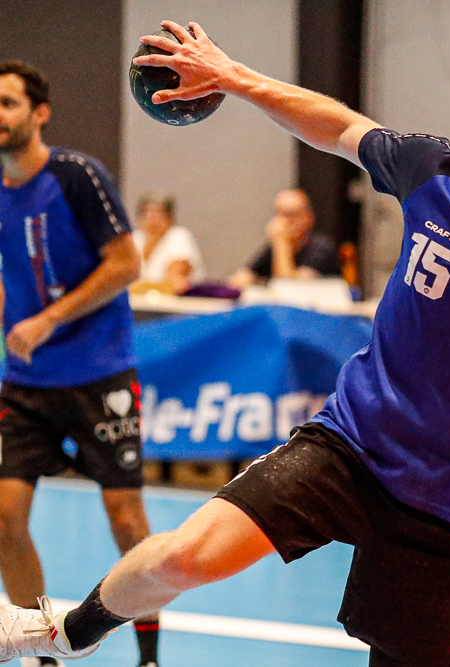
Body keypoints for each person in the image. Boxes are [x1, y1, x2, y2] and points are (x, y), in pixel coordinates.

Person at [0, 26, 450, 667]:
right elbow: (337, 126)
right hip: (350, 447)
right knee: (192, 551)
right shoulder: (436, 174)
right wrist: (234, 77)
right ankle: (69, 627)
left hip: (449, 501)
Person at [0, 60, 161, 667]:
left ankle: (149, 657)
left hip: (99, 375)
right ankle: (40, 648)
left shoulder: (76, 176)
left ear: (39, 114)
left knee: (126, 518)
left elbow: (126, 264)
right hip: (25, 384)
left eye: (10, 103)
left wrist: (46, 320)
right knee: (4, 519)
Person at [227, 188, 339, 287]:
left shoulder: (322, 248)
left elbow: (289, 285)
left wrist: (281, 241)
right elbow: (245, 275)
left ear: (308, 217)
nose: (283, 222)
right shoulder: (272, 249)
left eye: (291, 215)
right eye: (279, 214)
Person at [130, 192, 206, 295]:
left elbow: (175, 280)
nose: (152, 219)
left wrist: (139, 287)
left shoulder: (179, 237)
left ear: (169, 218)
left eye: (158, 214)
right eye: (147, 213)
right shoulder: (135, 239)